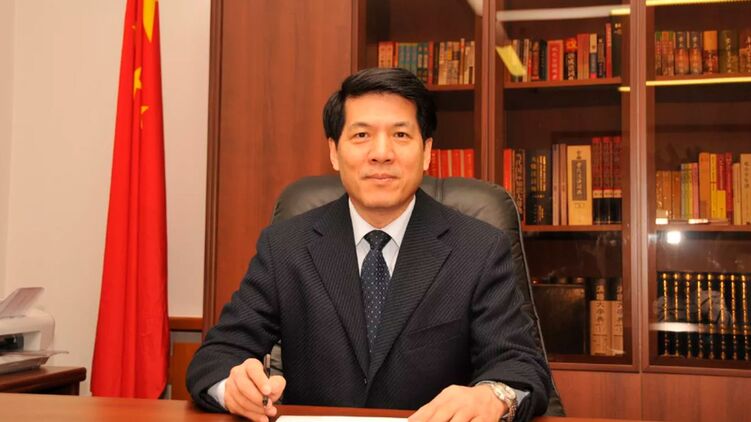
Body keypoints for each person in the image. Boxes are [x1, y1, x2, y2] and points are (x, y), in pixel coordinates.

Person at [186, 67, 552, 422]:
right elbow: (217, 356)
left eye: (400, 135)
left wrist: (492, 396)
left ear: (427, 152)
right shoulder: (285, 246)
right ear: (334, 152)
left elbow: (521, 366)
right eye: (361, 135)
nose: (381, 153)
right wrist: (233, 388)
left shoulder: (479, 248)